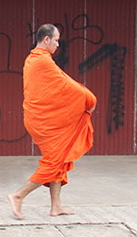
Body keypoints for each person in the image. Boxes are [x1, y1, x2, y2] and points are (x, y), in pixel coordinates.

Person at [8, 24, 97, 219]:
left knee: (60, 158)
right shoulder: (41, 61)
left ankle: (56, 206)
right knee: (53, 161)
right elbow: (67, 85)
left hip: (39, 118)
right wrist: (90, 99)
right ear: (46, 39)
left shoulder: (36, 59)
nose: (58, 44)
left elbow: (60, 85)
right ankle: (18, 195)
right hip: (43, 121)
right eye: (56, 40)